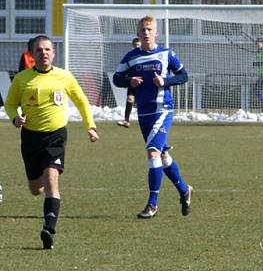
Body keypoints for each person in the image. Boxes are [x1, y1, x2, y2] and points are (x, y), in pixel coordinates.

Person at [4, 34, 99, 249]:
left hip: (56, 136)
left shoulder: (64, 77)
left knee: (51, 179)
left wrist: (90, 127)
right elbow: (9, 104)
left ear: (53, 53)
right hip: (30, 138)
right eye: (39, 50)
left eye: (47, 49)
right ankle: (45, 214)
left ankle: (49, 229)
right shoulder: (22, 79)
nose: (44, 53)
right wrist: (15, 118)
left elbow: (82, 101)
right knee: (35, 189)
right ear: (32, 54)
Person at [113, 15, 193, 219]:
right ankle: (184, 190)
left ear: (156, 32)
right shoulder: (131, 57)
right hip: (144, 113)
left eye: (150, 29)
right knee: (163, 155)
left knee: (152, 152)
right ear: (138, 33)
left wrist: (165, 81)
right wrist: (129, 81)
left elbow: (184, 76)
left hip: (162, 110)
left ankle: (152, 204)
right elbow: (116, 78)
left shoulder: (167, 54)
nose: (146, 32)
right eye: (143, 29)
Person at [117, 37, 142, 128]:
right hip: (132, 82)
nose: (137, 47)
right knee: (130, 99)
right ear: (133, 46)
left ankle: (144, 119)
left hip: (142, 82)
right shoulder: (130, 57)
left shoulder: (144, 56)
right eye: (135, 45)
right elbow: (125, 68)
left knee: (142, 101)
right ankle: (126, 121)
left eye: (138, 45)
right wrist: (126, 80)